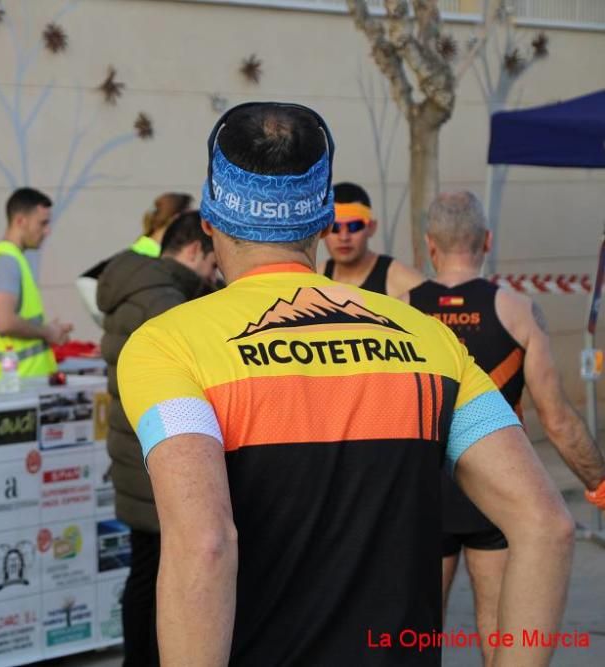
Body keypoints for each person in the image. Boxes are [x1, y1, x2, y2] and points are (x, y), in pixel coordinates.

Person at [116, 102, 574, 666]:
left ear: (209, 218)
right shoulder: (427, 341)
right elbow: (546, 523)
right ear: (325, 218)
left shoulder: (170, 345)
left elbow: (204, 545)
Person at [403, 190, 605, 663]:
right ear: (486, 241)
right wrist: (599, 484)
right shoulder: (517, 309)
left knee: (414, 633)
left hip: (422, 492)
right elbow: (556, 418)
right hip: (493, 483)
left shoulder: (400, 310)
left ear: (430, 245)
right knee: (499, 630)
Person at [97, 210, 218, 666]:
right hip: (159, 458)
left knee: (145, 573)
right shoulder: (167, 304)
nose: (213, 275)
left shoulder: (134, 285)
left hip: (134, 454)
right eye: (210, 265)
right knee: (161, 581)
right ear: (192, 250)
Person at [0, 188, 73, 381]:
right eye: (42, 223)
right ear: (20, 221)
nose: (47, 231)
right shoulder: (6, 261)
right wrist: (47, 331)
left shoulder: (11, 259)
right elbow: (5, 322)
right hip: (10, 385)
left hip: (15, 382)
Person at [76, 193, 194, 327]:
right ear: (175, 219)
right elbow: (86, 280)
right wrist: (108, 322)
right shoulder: (144, 254)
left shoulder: (148, 252)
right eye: (189, 217)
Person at [320, 182, 423, 295]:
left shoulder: (401, 280)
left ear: (371, 227)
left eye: (354, 226)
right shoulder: (317, 276)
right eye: (335, 227)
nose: (344, 237)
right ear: (322, 230)